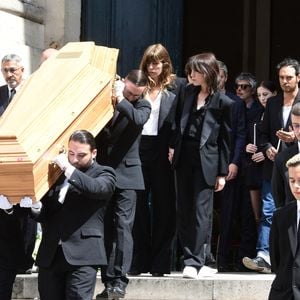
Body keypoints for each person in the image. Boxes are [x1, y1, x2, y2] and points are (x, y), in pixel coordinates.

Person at [26, 130, 116, 300]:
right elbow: (48, 213)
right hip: (51, 254)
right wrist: (35, 206)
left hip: (83, 255)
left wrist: (69, 170)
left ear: (94, 153)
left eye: (81, 155)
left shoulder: (105, 173)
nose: (74, 159)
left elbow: (96, 188)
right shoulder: (57, 175)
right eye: (71, 153)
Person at [169, 52, 232, 279]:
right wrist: (172, 146)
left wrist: (222, 173)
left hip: (207, 162)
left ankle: (197, 260)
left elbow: (226, 140)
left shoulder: (224, 102)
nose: (190, 75)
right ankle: (190, 259)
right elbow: (175, 122)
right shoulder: (186, 92)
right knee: (184, 209)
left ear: (207, 73)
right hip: (183, 157)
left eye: (195, 71)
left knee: (201, 212)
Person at [95, 70, 151, 299]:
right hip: (103, 173)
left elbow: (137, 120)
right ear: (123, 83)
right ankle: (107, 280)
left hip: (128, 176)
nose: (131, 97)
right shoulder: (106, 97)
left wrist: (120, 99)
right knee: (105, 227)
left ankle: (119, 280)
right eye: (128, 91)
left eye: (135, 94)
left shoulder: (142, 106)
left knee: (122, 227)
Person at [243, 58, 300, 273]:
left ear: (298, 78)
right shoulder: (274, 103)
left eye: (289, 77)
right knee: (269, 209)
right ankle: (264, 255)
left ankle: (290, 256)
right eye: (281, 78)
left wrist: (293, 139)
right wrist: (266, 147)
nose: (285, 81)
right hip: (275, 164)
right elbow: (264, 132)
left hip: (298, 164)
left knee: (293, 210)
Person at [130, 44, 178, 277]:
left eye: (156, 63)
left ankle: (160, 263)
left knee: (164, 206)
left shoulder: (176, 89)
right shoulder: (137, 85)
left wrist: (174, 147)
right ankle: (139, 261)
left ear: (165, 64)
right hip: (139, 149)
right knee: (137, 205)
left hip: (162, 149)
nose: (152, 67)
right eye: (149, 62)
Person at [215, 62, 247, 272]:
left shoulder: (236, 102)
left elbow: (240, 135)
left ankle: (223, 259)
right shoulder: (200, 99)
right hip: (205, 165)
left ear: (225, 77)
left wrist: (234, 162)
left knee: (227, 214)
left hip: (228, 166)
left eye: (218, 75)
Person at [268, 153, 300, 300]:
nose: (296, 186)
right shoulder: (280, 216)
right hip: (283, 293)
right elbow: (276, 260)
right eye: (292, 181)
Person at [244, 80, 277, 224]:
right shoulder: (255, 114)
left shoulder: (279, 113)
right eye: (259, 95)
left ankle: (267, 245)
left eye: (266, 94)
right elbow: (244, 135)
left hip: (271, 166)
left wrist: (265, 153)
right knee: (257, 214)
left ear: (274, 94)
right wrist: (247, 146)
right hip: (255, 168)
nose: (262, 98)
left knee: (270, 210)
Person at [272, 102, 300, 207]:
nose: (299, 131)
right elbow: (278, 197)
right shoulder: (282, 158)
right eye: (296, 126)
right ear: (291, 127)